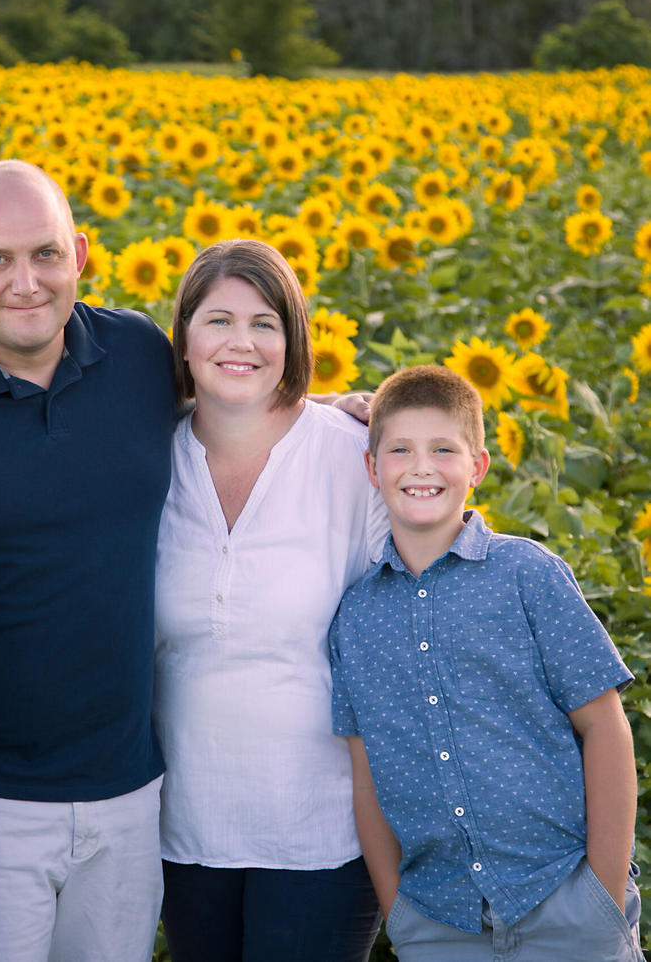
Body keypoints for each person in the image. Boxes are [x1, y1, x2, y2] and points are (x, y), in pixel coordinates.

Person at [0, 159, 178, 962]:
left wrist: (341, 412)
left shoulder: (139, 355)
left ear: (81, 252)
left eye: (46, 254)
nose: (27, 282)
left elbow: (239, 403)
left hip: (130, 790)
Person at [329, 364, 643, 961]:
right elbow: (365, 776)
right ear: (373, 469)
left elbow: (605, 726)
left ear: (477, 466)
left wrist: (602, 892)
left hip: (566, 901)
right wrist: (398, 910)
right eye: (400, 449)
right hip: (441, 923)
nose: (421, 467)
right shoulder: (356, 617)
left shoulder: (529, 576)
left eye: (443, 449)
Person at [153, 239, 389, 962]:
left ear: (294, 340)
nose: (241, 342)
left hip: (324, 833)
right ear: (184, 337)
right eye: (218, 320)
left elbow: (440, 590)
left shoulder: (355, 456)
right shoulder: (147, 457)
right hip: (180, 832)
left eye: (265, 323)